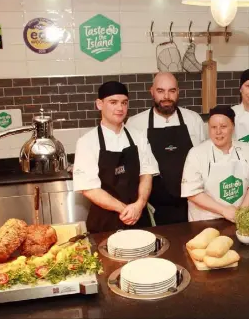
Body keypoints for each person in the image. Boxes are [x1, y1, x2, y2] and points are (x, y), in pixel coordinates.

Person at [73, 81, 159, 233]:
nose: (120, 108)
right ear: (99, 104)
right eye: (113, 102)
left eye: (124, 103)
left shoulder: (138, 137)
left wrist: (139, 204)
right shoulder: (87, 142)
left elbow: (146, 174)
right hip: (104, 222)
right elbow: (89, 188)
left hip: (139, 217)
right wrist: (125, 209)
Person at [127, 72, 205, 225]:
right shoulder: (135, 123)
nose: (166, 96)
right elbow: (134, 169)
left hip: (191, 203)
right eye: (160, 91)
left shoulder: (193, 119)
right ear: (152, 92)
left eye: (172, 91)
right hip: (154, 206)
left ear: (178, 92)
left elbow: (204, 161)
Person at [181, 105, 249, 222]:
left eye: (223, 126)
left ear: (233, 127)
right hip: (204, 222)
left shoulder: (248, 150)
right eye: (213, 127)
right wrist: (224, 210)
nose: (218, 132)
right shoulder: (196, 154)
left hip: (239, 219)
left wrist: (240, 212)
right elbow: (192, 192)